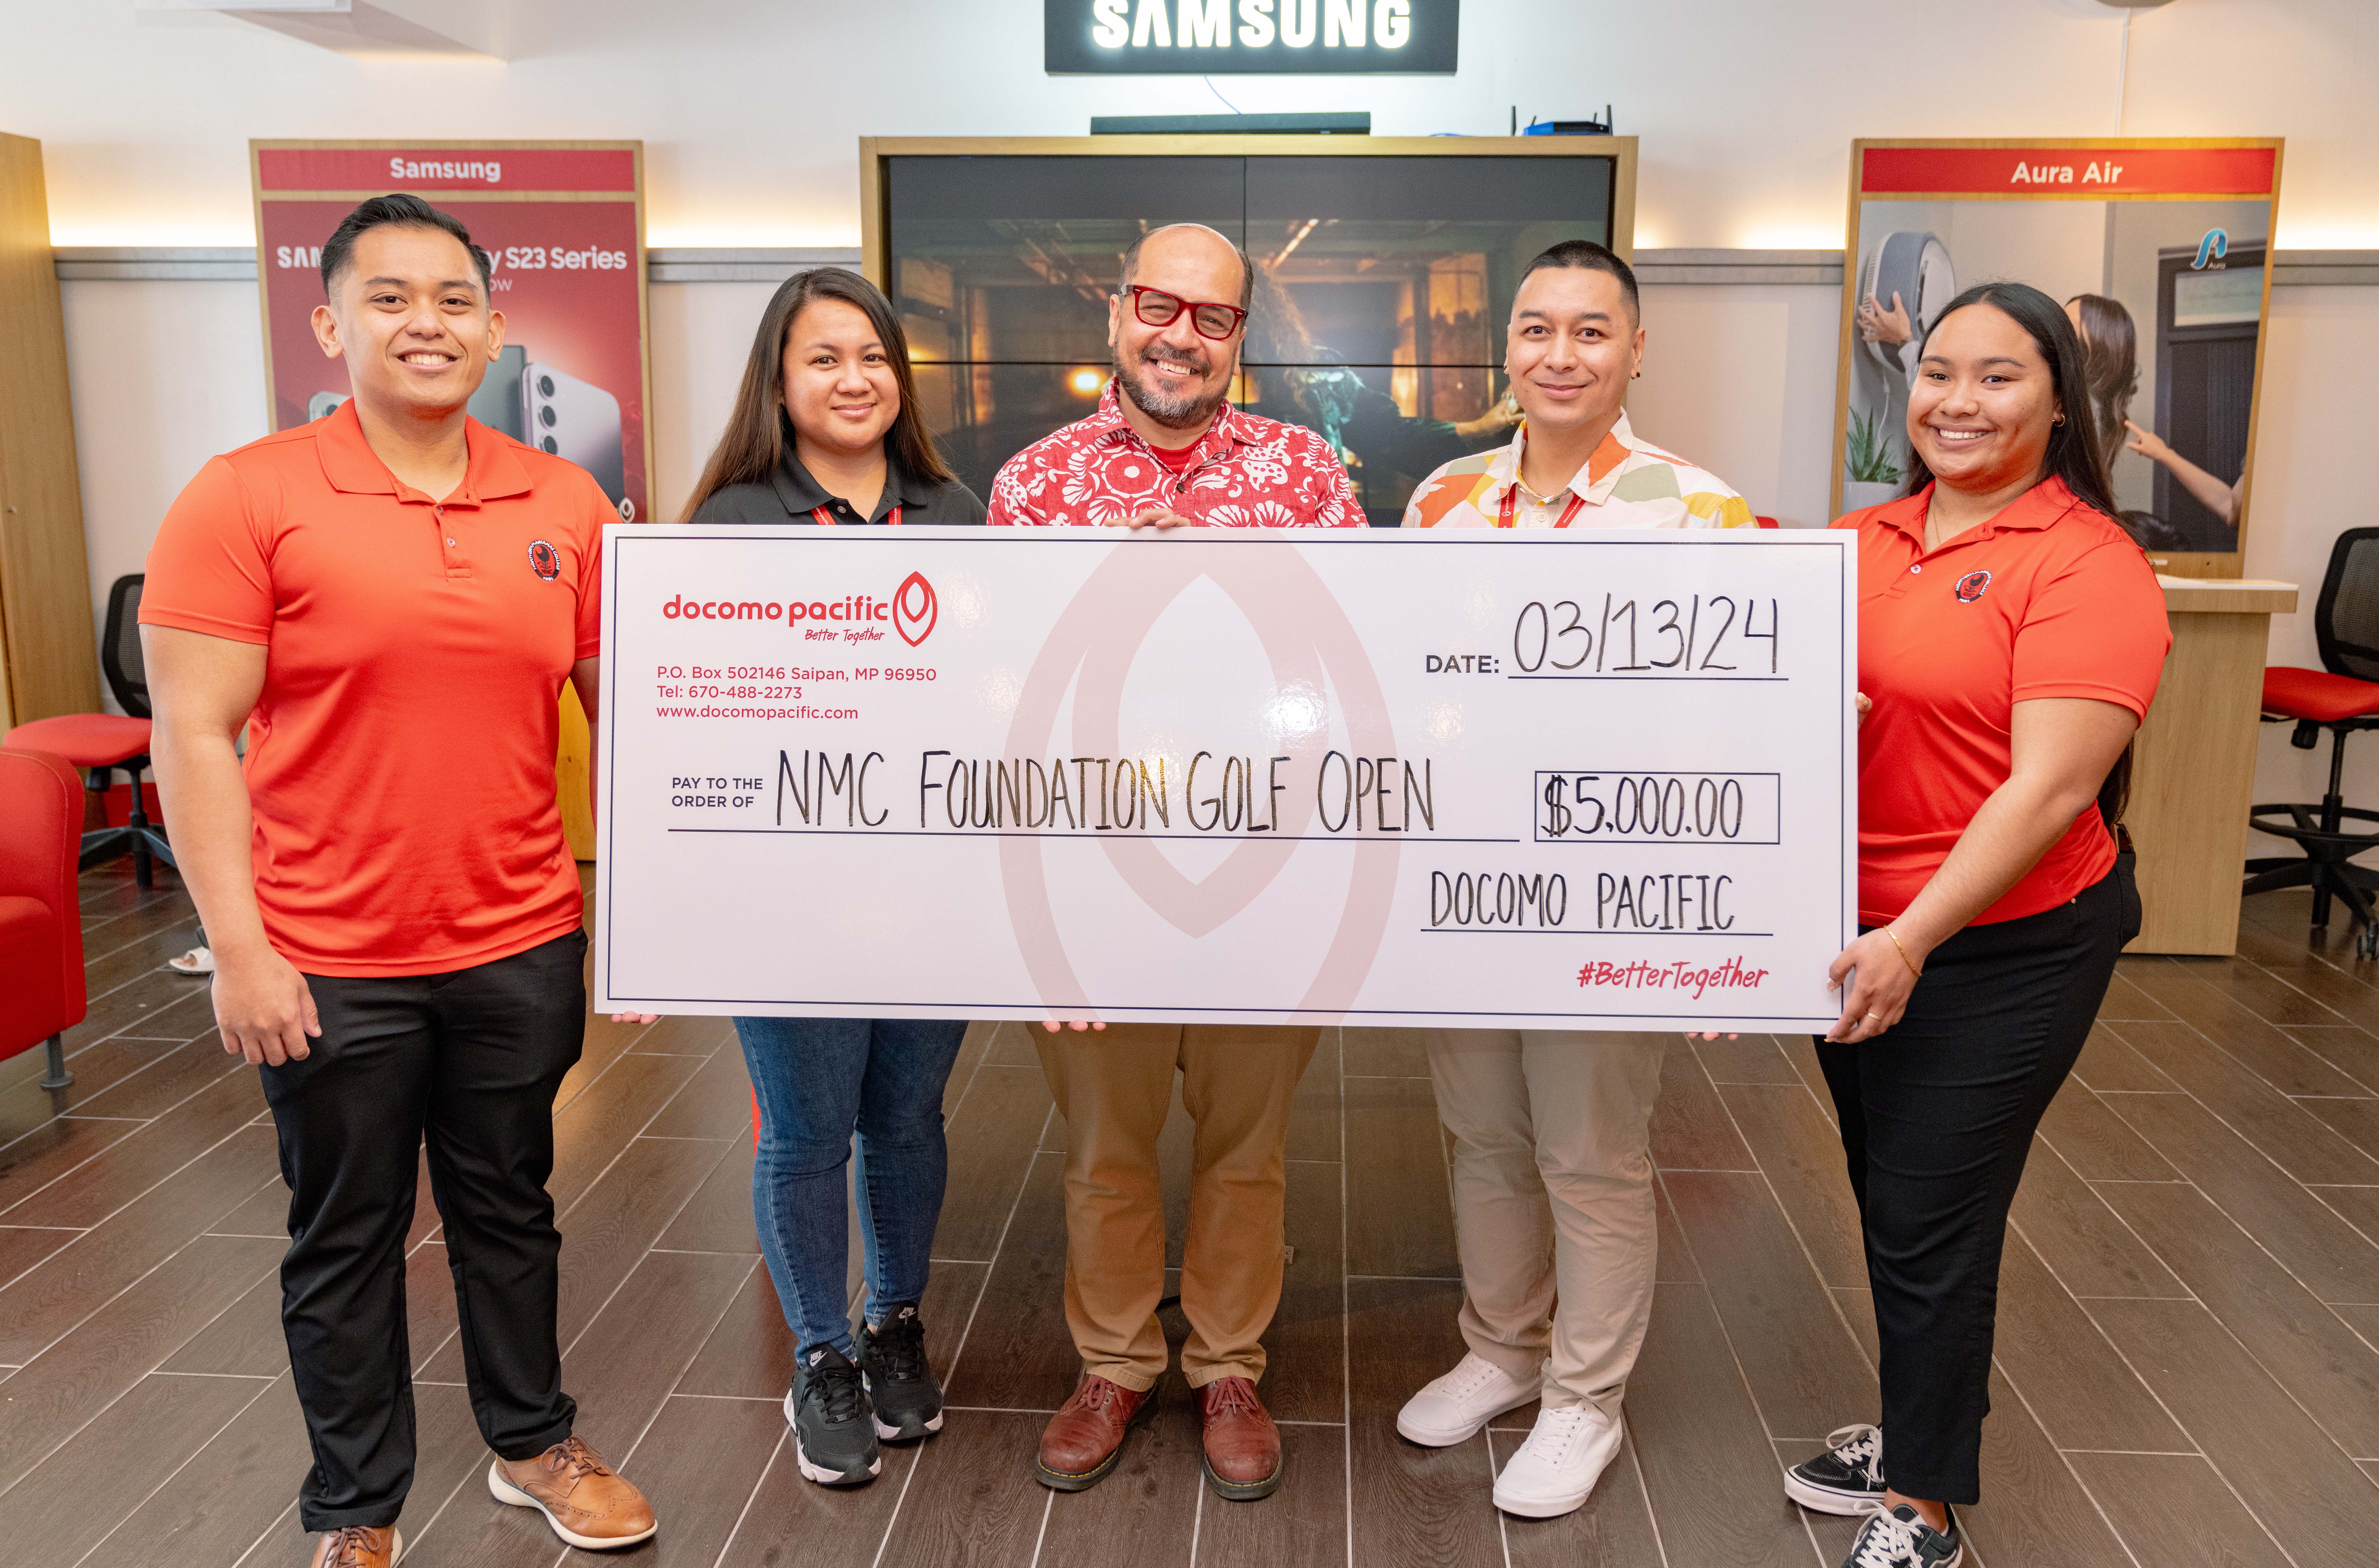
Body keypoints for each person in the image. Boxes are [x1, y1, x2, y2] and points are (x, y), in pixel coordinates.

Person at [140, 195, 656, 1568]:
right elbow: (189, 735)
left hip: (519, 933)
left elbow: (634, 720)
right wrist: (238, 948)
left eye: (451, 302)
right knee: (346, 1234)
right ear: (330, 322)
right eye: (388, 299)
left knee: (510, 1206)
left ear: (494, 328)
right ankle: (355, 1510)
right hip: (324, 951)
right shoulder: (244, 495)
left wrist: (660, 920)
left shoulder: (565, 499)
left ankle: (532, 1443)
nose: (424, 324)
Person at [1788, 282, 2168, 1568]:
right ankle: (1912, 1425)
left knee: (1930, 1212)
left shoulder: (2088, 564)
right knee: (1888, 1193)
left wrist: (1913, 940)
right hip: (1858, 934)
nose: (1956, 399)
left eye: (1998, 377)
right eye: (1937, 370)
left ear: (2063, 401)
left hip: (2004, 942)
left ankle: (1927, 1505)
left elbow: (2048, 787)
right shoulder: (1863, 538)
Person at [987, 222, 1359, 1503]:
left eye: (1212, 318)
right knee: (1103, 1144)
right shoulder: (1034, 485)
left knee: (1248, 1147)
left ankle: (1229, 1365)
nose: (1180, 336)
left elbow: (1364, 668)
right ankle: (1113, 1363)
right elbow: (993, 696)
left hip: (1268, 878)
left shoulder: (1308, 475)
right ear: (1114, 310)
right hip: (1089, 885)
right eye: (1159, 306)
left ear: (1238, 338)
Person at [1392, 241, 1753, 1520]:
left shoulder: (1703, 512)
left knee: (1588, 1149)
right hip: (1464, 879)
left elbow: (1743, 724)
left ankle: (1583, 1400)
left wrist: (1736, 932)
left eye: (1590, 332)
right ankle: (1502, 1349)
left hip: (1610, 889)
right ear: (1508, 347)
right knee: (1482, 1134)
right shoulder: (1437, 499)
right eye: (1537, 329)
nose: (1560, 355)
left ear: (1635, 350)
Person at [672, 267, 984, 1489]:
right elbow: (692, 726)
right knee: (805, 1131)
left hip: (931, 888)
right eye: (823, 359)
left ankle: (894, 1322)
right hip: (784, 894)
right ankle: (819, 1354)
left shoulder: (953, 514)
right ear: (779, 380)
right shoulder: (731, 524)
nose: (854, 380)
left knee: (905, 1119)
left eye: (873, 357)